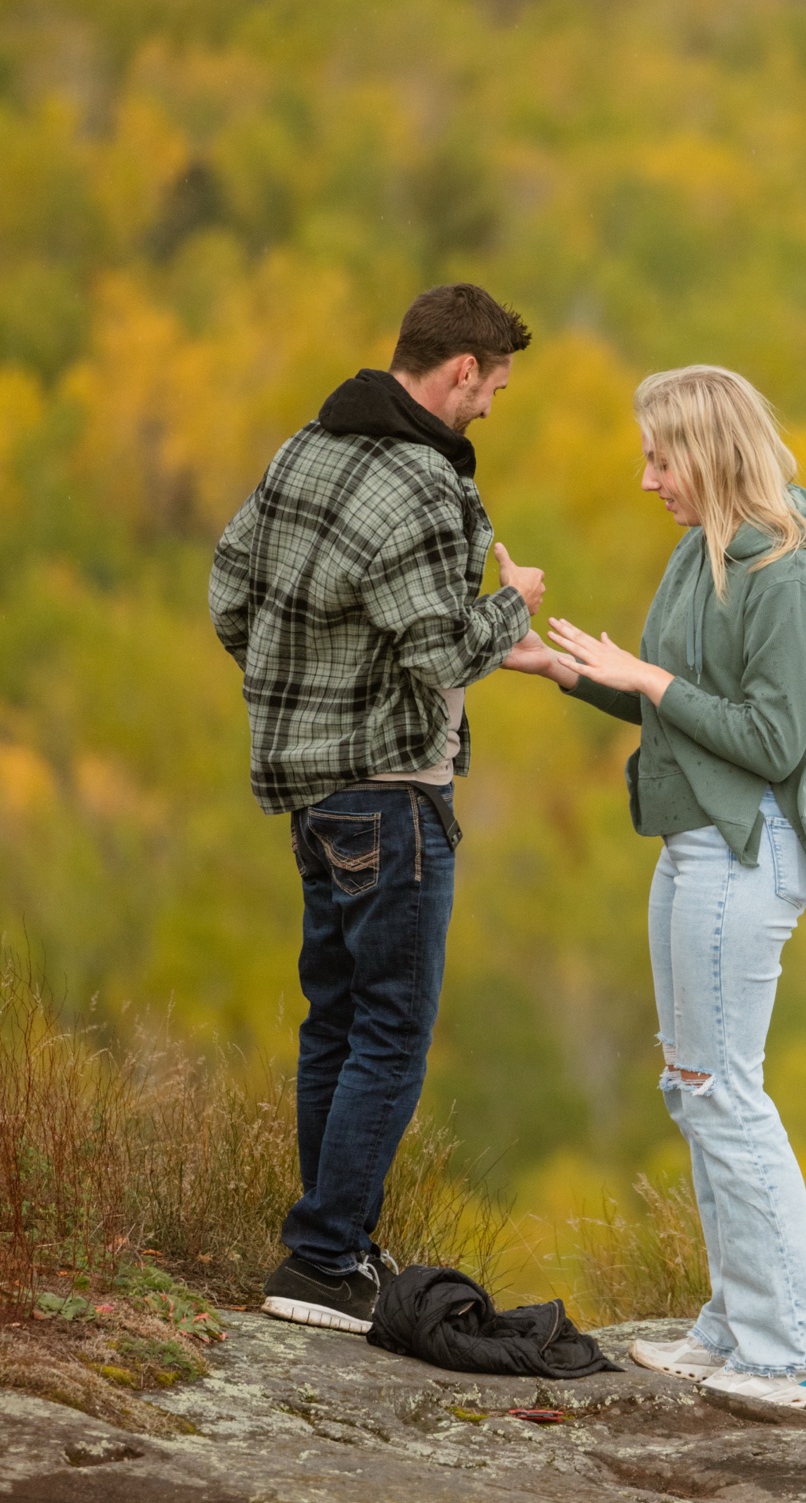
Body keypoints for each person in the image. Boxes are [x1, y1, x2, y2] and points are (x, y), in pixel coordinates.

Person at [504, 364, 806, 1408]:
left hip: (746, 850)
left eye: (661, 456)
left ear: (709, 453)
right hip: (690, 846)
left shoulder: (791, 579)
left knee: (723, 1095)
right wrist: (570, 673)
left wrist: (649, 677)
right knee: (692, 1088)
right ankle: (735, 1322)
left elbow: (770, 738)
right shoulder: (694, 558)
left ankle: (798, 1354)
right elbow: (675, 716)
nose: (646, 476)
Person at [209, 283, 546, 1334]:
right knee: (391, 1032)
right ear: (459, 371)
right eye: (493, 386)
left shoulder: (303, 448)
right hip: (392, 792)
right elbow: (442, 649)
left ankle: (328, 1246)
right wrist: (514, 604)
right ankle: (322, 1258)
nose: (491, 406)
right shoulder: (417, 485)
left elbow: (230, 592)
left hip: (309, 789)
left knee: (338, 1019)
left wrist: (299, 691)